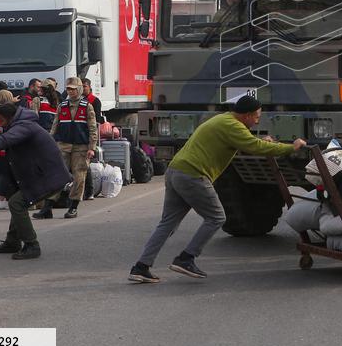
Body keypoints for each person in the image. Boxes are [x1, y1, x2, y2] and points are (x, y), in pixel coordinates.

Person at [128, 95, 305, 283]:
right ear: (246, 115)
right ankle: (186, 258)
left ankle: (141, 267)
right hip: (193, 175)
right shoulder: (233, 126)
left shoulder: (224, 119)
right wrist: (291, 148)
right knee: (216, 217)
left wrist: (265, 142)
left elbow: (249, 142)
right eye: (256, 117)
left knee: (167, 223)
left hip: (175, 171)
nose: (257, 121)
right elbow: (254, 146)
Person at [0, 102, 72, 259]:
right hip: (39, 175)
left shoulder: (25, 126)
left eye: (1, 121)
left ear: (9, 118)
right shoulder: (18, 125)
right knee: (16, 202)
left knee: (16, 203)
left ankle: (32, 245)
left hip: (47, 177)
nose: (0, 124)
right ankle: (13, 241)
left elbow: (4, 140)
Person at [39, 77, 98, 220]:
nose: (70, 91)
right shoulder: (62, 105)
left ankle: (73, 207)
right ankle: (47, 208)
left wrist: (92, 148)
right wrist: (50, 142)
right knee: (57, 175)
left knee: (79, 176)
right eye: (68, 89)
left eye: (73, 88)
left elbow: (92, 128)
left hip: (81, 147)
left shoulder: (87, 106)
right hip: (63, 145)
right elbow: (55, 126)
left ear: (78, 89)